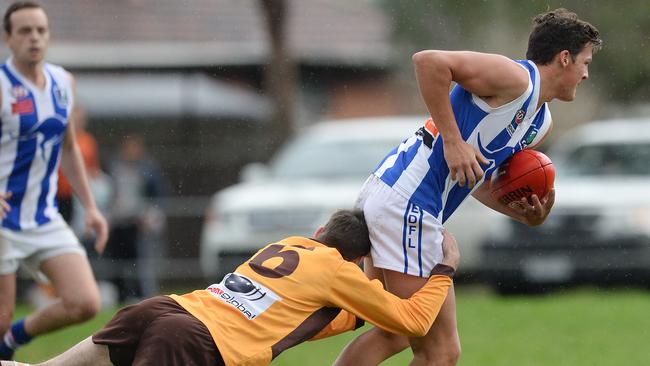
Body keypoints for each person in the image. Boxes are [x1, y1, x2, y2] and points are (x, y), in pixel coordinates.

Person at [334, 8, 601, 366]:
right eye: (585, 62)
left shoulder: (540, 123)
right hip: (409, 203)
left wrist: (525, 215)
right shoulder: (516, 79)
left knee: (394, 332)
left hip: (395, 197)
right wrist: (452, 140)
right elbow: (428, 62)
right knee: (439, 352)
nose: (586, 74)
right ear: (564, 58)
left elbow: (476, 180)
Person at [3, 209, 460, 366]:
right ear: (358, 261)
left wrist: (367, 302)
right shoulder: (338, 272)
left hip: (162, 310)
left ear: (321, 230)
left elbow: (308, 321)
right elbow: (410, 320)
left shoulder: (285, 245)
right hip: (194, 343)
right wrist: (444, 269)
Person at [0, 1, 109, 360]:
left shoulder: (64, 83)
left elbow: (69, 149)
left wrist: (91, 207)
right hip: (2, 220)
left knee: (85, 302)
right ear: (8, 38)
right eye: (25, 31)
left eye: (41, 31)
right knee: (0, 315)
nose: (34, 38)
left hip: (43, 217)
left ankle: (13, 339)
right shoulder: (2, 85)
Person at [105, 134, 164, 301]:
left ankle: (141, 294)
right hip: (118, 221)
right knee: (117, 259)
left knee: (140, 260)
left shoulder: (148, 169)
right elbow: (108, 193)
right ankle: (120, 294)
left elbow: (157, 196)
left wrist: (150, 217)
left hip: (138, 222)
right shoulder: (115, 167)